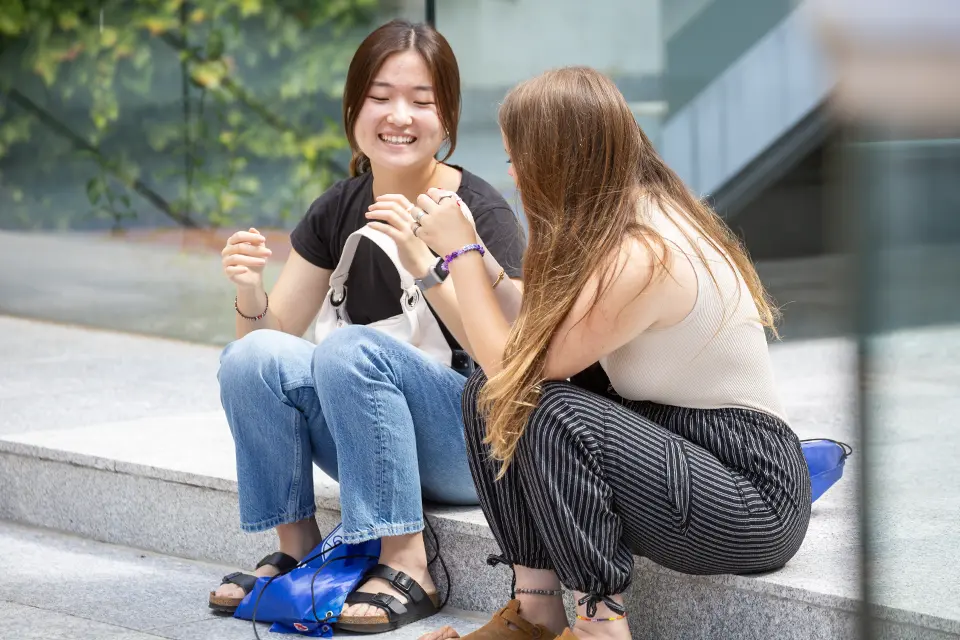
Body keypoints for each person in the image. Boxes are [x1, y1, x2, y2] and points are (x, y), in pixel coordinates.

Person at [404, 67, 811, 640]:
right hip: (681, 444)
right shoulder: (619, 226)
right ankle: (535, 613)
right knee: (483, 395)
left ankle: (600, 625)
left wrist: (464, 253)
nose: (515, 175)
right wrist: (482, 264)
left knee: (542, 406)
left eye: (518, 158)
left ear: (558, 159)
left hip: (749, 492)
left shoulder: (644, 255)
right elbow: (532, 330)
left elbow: (515, 368)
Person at [207, 19, 526, 634]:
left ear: (448, 118)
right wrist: (249, 291)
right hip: (370, 432)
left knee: (353, 348)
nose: (398, 115)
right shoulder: (338, 206)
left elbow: (512, 362)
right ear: (354, 109)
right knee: (247, 357)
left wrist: (428, 266)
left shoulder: (473, 209)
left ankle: (408, 562)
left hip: (473, 443)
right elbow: (266, 348)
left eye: (421, 101)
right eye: (380, 98)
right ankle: (300, 550)